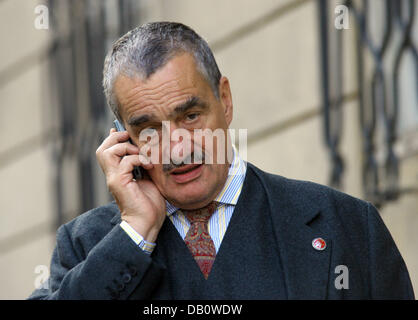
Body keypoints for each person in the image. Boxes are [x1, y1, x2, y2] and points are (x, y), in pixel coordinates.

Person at [28, 22, 414, 300]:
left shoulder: (345, 225)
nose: (178, 149)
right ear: (122, 137)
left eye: (190, 116)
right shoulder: (87, 245)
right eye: (150, 130)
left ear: (224, 100)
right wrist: (134, 232)